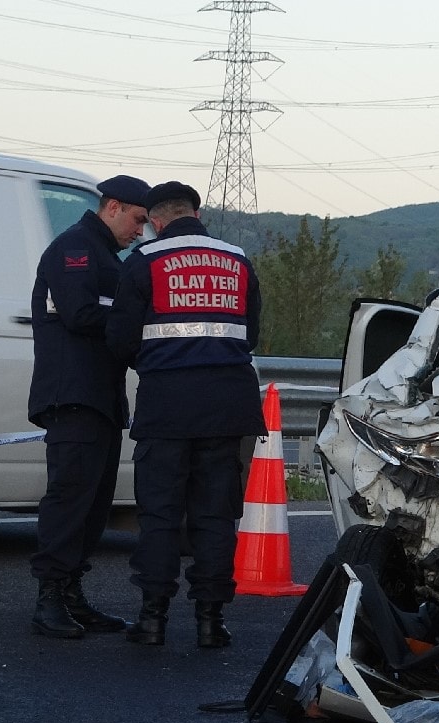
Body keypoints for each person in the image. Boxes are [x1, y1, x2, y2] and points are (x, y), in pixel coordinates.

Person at [105, 181, 265, 648]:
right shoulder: (237, 259)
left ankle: (152, 620)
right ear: (196, 213)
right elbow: (249, 334)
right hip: (228, 405)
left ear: (155, 220)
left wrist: (158, 363)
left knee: (159, 515)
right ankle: (211, 623)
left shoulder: (144, 262)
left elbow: (120, 339)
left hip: (167, 406)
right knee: (215, 517)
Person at [29, 174, 151, 639]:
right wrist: (137, 322)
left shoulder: (106, 256)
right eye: (138, 220)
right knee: (69, 499)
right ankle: (50, 599)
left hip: (99, 397)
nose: (140, 231)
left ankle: (72, 594)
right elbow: (80, 313)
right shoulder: (75, 247)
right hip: (72, 394)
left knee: (94, 504)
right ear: (113, 206)